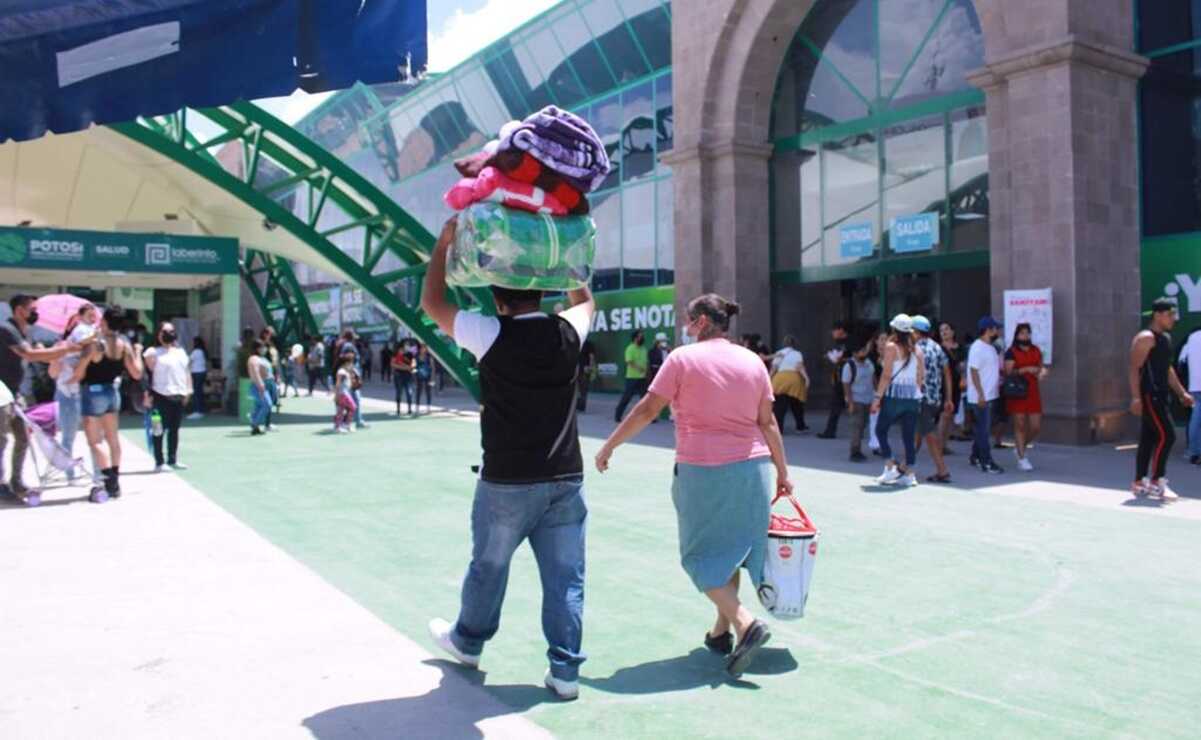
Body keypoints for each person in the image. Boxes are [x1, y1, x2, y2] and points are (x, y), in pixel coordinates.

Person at [421, 218, 595, 701]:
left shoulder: (490, 334)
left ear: (499, 299)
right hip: (566, 477)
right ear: (542, 293)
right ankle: (565, 673)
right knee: (566, 579)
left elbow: (433, 304)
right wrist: (567, 264)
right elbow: (587, 303)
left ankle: (469, 642)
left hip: (507, 481)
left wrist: (442, 246)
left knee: (490, 566)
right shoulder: (568, 333)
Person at [595, 293, 789, 678]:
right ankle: (721, 633)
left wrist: (609, 445)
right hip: (754, 470)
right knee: (730, 550)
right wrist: (783, 473)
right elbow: (767, 423)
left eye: (688, 319)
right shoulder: (752, 361)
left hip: (704, 470)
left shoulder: (682, 359)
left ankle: (746, 623)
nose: (684, 326)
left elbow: (647, 409)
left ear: (701, 321)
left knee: (698, 557)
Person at [1, 295, 92, 501]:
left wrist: (66, 347)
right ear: (19, 310)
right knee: (1, 440)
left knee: (23, 438)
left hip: (15, 393)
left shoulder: (26, 331)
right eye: (32, 309)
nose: (36, 313)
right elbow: (30, 355)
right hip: (2, 392)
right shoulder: (7, 330)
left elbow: (40, 353)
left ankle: (16, 481)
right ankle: (1, 483)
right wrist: (65, 349)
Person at [73, 307, 143, 500]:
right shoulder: (124, 344)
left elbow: (79, 372)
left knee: (95, 442)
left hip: (92, 392)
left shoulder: (96, 345)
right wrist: (137, 352)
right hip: (112, 393)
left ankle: (108, 478)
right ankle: (116, 480)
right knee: (113, 439)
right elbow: (137, 373)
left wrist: (72, 378)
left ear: (104, 322)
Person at [1129, 299, 1194, 500]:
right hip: (1149, 395)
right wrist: (1135, 398)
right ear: (1157, 315)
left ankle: (1139, 482)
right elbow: (1133, 369)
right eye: (1170, 314)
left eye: (1174, 314)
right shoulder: (1145, 338)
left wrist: (1181, 393)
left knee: (1148, 439)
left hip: (1162, 395)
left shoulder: (1165, 338)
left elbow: (1167, 369)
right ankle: (1157, 482)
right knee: (1168, 436)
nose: (1174, 318)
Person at [870, 315, 925, 487]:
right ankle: (910, 474)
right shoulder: (917, 350)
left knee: (880, 430)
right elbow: (920, 377)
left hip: (894, 396)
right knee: (908, 436)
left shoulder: (891, 347)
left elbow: (886, 375)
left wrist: (877, 398)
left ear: (894, 330)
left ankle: (890, 465)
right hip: (913, 397)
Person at [49, 303, 98, 474]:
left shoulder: (90, 332)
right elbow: (53, 372)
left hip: (85, 390)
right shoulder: (80, 334)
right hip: (68, 392)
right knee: (69, 437)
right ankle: (70, 474)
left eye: (94, 315)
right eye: (89, 315)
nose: (93, 318)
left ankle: (98, 475)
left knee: (94, 439)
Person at [143, 322, 194, 473]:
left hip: (178, 395)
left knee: (174, 429)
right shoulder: (153, 352)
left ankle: (173, 459)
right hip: (159, 395)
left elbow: (186, 372)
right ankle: (159, 462)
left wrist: (188, 390)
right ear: (159, 334)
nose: (168, 334)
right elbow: (148, 373)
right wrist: (147, 394)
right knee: (158, 429)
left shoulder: (181, 352)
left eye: (171, 331)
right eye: (165, 331)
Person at [912, 316, 954, 483]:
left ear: (915, 332)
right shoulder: (937, 347)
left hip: (919, 398)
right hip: (935, 399)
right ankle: (904, 466)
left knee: (929, 434)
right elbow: (947, 374)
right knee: (917, 433)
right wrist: (949, 398)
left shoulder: (913, 349)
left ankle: (942, 470)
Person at [1003, 323, 1048, 471]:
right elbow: (1008, 372)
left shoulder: (1036, 350)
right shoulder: (1011, 351)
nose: (1025, 336)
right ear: (1017, 335)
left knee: (1036, 426)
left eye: (1027, 333)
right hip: (1017, 391)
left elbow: (1041, 368)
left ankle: (1020, 447)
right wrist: (1026, 369)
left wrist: (1041, 372)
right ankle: (1022, 458)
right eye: (1022, 333)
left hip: (1033, 390)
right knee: (1020, 424)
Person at [967, 316, 1004, 474]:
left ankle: (975, 456)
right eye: (995, 328)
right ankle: (986, 462)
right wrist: (981, 395)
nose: (997, 330)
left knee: (982, 428)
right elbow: (973, 371)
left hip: (990, 395)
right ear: (988, 330)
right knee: (983, 430)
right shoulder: (977, 347)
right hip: (981, 397)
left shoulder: (990, 347)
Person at [842, 341, 875, 462]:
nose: (863, 353)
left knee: (863, 425)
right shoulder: (849, 365)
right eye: (861, 351)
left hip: (868, 399)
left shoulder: (868, 363)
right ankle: (855, 452)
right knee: (856, 426)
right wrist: (850, 402)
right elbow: (846, 384)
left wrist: (876, 395)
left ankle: (858, 448)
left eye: (864, 350)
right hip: (856, 400)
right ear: (855, 353)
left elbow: (873, 378)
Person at [770, 335, 810, 433]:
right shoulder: (797, 353)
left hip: (780, 379)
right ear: (794, 344)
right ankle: (800, 426)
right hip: (794, 379)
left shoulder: (779, 353)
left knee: (779, 406)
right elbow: (799, 366)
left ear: (783, 344)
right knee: (797, 404)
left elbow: (774, 369)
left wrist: (768, 379)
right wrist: (806, 378)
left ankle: (779, 428)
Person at [817, 321, 850, 439]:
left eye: (834, 330)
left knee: (839, 404)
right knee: (836, 404)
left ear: (841, 330)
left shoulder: (847, 343)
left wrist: (834, 358)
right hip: (839, 377)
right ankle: (830, 430)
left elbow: (842, 359)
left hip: (847, 378)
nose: (832, 333)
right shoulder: (840, 343)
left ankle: (831, 431)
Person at [938, 321, 967, 448]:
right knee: (945, 414)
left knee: (951, 415)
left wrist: (964, 377)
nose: (944, 332)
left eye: (946, 329)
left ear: (952, 332)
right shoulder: (938, 348)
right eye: (941, 330)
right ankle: (939, 446)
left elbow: (964, 365)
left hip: (957, 384)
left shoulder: (960, 348)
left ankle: (944, 444)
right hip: (943, 384)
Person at [614, 330, 649, 423]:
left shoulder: (644, 349)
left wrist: (645, 371)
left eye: (642, 336)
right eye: (640, 336)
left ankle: (649, 417)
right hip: (632, 378)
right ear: (635, 338)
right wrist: (639, 369)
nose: (642, 338)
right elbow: (629, 362)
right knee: (626, 397)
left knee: (645, 398)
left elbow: (645, 362)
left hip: (642, 378)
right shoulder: (630, 348)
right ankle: (618, 415)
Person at [1179, 327, 1201, 465]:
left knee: (1196, 417)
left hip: (1195, 385)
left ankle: (1193, 452)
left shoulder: (1192, 337)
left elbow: (1181, 361)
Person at [247, 340, 273, 436]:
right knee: (267, 404)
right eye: (262, 347)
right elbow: (256, 372)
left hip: (262, 384)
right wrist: (261, 384)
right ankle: (254, 424)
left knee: (259, 406)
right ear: (257, 348)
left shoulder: (258, 358)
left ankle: (255, 425)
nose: (264, 349)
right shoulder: (254, 359)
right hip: (258, 385)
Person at [333, 353, 358, 433]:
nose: (352, 364)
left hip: (344, 393)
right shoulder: (341, 371)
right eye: (351, 362)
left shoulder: (346, 371)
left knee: (340, 410)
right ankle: (346, 424)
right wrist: (336, 395)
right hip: (342, 393)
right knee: (353, 407)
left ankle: (338, 426)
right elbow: (338, 384)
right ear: (347, 363)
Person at [391, 342, 415, 415]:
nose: (407, 347)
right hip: (398, 376)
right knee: (399, 392)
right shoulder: (396, 354)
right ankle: (398, 409)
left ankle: (409, 409)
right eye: (406, 345)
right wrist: (405, 368)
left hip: (408, 376)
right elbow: (393, 364)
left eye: (408, 345)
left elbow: (413, 363)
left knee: (409, 392)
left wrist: (412, 367)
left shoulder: (410, 354)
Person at [187, 337, 208, 419]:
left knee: (196, 392)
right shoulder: (202, 351)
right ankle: (201, 410)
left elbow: (189, 361)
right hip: (202, 372)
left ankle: (197, 411)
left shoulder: (195, 352)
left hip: (196, 373)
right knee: (199, 392)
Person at [577, 338, 596, 413]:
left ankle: (581, 407)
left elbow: (591, 356)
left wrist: (590, 367)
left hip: (584, 370)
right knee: (576, 390)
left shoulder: (588, 344)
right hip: (575, 369)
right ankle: (577, 406)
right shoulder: (576, 343)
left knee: (583, 390)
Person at [414, 343, 434, 413]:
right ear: (419, 349)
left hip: (427, 376)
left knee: (428, 392)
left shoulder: (429, 357)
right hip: (418, 376)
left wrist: (432, 378)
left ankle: (428, 407)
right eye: (422, 347)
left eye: (424, 348)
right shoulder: (416, 357)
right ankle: (417, 407)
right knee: (418, 392)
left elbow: (432, 367)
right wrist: (414, 375)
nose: (423, 349)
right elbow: (413, 366)